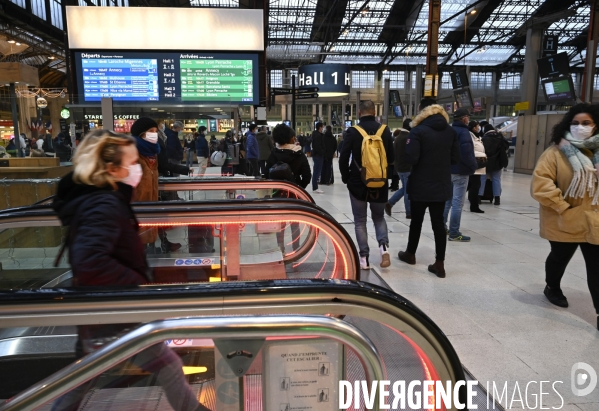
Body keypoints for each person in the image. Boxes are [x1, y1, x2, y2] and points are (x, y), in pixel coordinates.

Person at [50, 129, 207, 411]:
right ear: (111, 168)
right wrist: (136, 289)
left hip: (102, 309)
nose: (137, 168)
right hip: (114, 308)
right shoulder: (103, 203)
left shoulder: (101, 198)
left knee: (83, 375)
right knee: (164, 364)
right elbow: (91, 261)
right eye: (132, 162)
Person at [531, 103, 599, 329]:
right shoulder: (555, 152)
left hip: (594, 221)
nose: (581, 127)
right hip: (564, 219)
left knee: (596, 267)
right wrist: (562, 206)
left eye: (586, 123)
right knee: (559, 257)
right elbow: (541, 184)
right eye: (576, 123)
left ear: (595, 124)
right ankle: (552, 286)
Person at [397, 98, 460, 278]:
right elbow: (456, 158)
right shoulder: (450, 131)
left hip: (420, 184)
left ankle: (410, 254)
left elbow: (412, 158)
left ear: (422, 111)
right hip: (441, 184)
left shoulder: (417, 131)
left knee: (416, 221)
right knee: (438, 224)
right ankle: (439, 263)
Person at [339, 100, 394, 270]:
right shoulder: (385, 131)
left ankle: (364, 259)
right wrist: (387, 177)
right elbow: (391, 158)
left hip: (358, 183)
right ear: (374, 111)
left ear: (359, 113)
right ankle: (384, 248)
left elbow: (343, 157)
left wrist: (346, 177)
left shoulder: (353, 132)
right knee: (379, 217)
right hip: (380, 182)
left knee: (360, 221)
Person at [265, 124, 311, 253]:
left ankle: (281, 248)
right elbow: (307, 175)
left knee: (281, 223)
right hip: (294, 194)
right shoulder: (299, 155)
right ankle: (296, 248)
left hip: (277, 194)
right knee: (295, 223)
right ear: (290, 138)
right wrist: (298, 186)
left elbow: (266, 174)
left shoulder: (273, 154)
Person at [443, 108, 478, 242]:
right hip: (461, 171)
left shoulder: (449, 130)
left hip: (448, 170)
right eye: (468, 117)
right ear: (464, 118)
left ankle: (442, 228)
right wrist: (474, 166)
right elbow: (467, 153)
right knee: (457, 203)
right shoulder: (464, 132)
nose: (468, 120)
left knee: (447, 201)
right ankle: (454, 232)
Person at [385, 120, 412, 219]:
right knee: (408, 190)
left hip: (399, 167)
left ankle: (390, 203)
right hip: (407, 167)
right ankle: (409, 212)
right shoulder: (408, 137)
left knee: (405, 188)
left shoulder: (399, 137)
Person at [479, 124, 508, 205]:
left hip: (486, 162)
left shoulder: (484, 139)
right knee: (496, 179)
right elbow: (506, 147)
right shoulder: (500, 137)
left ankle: (479, 197)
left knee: (482, 178)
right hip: (498, 162)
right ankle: (497, 198)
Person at [468, 120, 486, 213]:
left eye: (478, 126)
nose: (478, 128)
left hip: (478, 166)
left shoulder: (477, 136)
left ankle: (474, 205)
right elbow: (470, 150)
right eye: (476, 127)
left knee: (473, 186)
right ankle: (474, 206)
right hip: (475, 165)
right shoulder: (470, 136)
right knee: (474, 186)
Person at [311, 122, 326, 193]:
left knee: (317, 171)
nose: (323, 128)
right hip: (318, 155)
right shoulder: (318, 136)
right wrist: (322, 152)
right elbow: (317, 146)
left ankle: (315, 186)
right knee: (317, 171)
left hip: (317, 155)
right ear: (320, 127)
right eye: (322, 127)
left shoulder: (316, 134)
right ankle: (315, 187)